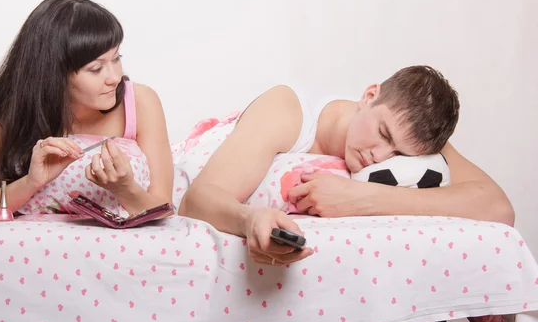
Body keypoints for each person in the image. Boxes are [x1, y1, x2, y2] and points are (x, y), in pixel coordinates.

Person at [178, 66, 514, 267]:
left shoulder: (413, 138)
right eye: (383, 133)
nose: (381, 156)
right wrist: (249, 218)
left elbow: (498, 208)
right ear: (369, 96)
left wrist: (364, 198)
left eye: (399, 155)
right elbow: (197, 201)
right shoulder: (287, 112)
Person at [0, 0, 173, 220]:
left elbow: (164, 209)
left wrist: (125, 188)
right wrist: (32, 182)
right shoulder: (7, 115)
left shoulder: (140, 101)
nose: (114, 77)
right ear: (55, 75)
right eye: (95, 69)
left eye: (116, 58)